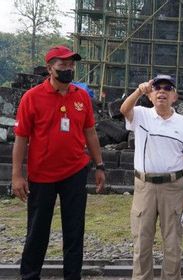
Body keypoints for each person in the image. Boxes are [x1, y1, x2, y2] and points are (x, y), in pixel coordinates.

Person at [12, 45, 106, 280]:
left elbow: (90, 132)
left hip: (75, 171)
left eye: (71, 64)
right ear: (50, 67)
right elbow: (21, 138)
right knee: (37, 231)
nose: (68, 68)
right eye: (62, 64)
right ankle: (30, 276)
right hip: (42, 174)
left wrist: (100, 165)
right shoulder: (32, 98)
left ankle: (72, 277)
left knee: (74, 231)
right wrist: (17, 175)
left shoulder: (81, 95)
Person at [120, 74, 183, 280]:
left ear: (175, 96)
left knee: (173, 243)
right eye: (157, 88)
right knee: (142, 242)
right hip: (144, 186)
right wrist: (139, 90)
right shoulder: (141, 115)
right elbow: (124, 110)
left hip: (173, 187)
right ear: (151, 95)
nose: (162, 91)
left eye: (167, 88)